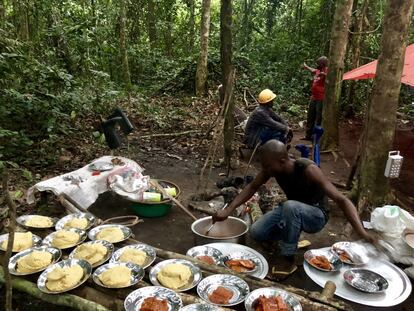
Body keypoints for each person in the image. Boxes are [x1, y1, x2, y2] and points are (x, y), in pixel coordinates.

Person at [213, 140, 376, 279]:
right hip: (292, 211)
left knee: (291, 206)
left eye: (268, 167)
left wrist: (362, 232)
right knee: (256, 232)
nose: (265, 170)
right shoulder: (272, 167)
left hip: (317, 215)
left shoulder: (308, 169)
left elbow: (342, 199)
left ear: (283, 160)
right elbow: (252, 187)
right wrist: (228, 210)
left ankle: (288, 258)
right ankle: (287, 237)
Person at [302, 56, 328, 140]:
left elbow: (331, 77)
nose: (317, 65)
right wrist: (306, 67)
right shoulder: (318, 70)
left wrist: (324, 74)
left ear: (323, 64)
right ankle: (308, 135)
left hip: (321, 98)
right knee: (310, 116)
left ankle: (316, 137)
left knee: (318, 117)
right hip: (314, 97)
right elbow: (313, 70)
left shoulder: (326, 70)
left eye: (318, 63)